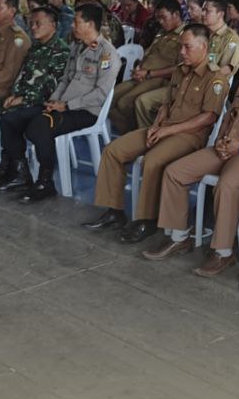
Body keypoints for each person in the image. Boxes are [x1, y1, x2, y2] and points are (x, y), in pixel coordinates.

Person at [139, 29, 239, 258]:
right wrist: (222, 142)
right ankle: (179, 237)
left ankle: (223, 252)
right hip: (229, 147)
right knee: (175, 172)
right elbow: (229, 117)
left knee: (227, 184)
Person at [83, 24, 228, 239]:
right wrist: (157, 125)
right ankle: (113, 211)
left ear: (204, 47)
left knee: (151, 160)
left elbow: (208, 117)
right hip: (164, 128)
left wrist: (168, 131)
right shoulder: (180, 70)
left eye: (187, 47)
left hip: (189, 136)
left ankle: (147, 220)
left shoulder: (215, 77)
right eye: (181, 47)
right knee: (113, 151)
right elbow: (166, 104)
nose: (182, 52)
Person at [0, 4, 118, 203]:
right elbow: (65, 79)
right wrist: (54, 100)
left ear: (90, 24)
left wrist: (66, 106)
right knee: (10, 119)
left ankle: (45, 180)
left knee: (39, 126)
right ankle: (19, 171)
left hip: (84, 111)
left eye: (76, 22)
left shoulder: (106, 54)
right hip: (61, 106)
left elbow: (100, 94)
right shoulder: (77, 47)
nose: (72, 25)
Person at [0, 5, 71, 180]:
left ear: (52, 25)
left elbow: (51, 87)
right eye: (31, 23)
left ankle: (16, 166)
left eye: (38, 24)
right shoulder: (36, 47)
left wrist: (23, 99)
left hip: (40, 103)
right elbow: (21, 75)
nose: (32, 27)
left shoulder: (60, 51)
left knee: (9, 118)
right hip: (19, 97)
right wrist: (13, 94)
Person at [109, 0, 184, 134]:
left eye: (163, 17)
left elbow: (181, 68)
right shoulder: (162, 33)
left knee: (125, 102)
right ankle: (128, 132)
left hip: (158, 79)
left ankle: (140, 135)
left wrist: (149, 73)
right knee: (110, 97)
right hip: (142, 75)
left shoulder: (185, 36)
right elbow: (149, 52)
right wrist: (139, 68)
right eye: (158, 18)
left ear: (176, 15)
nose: (160, 22)